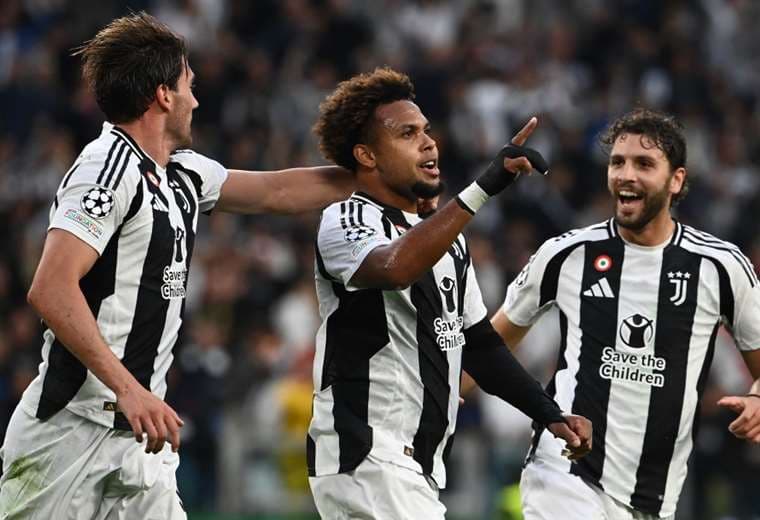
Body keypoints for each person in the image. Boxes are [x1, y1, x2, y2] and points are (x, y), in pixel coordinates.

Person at [0, 12, 355, 520]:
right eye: (189, 84)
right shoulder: (106, 168)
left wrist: (377, 174)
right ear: (163, 95)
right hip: (69, 433)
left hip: (142, 440)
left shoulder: (183, 173)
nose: (196, 98)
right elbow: (51, 288)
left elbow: (277, 190)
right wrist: (128, 389)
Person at [305, 67, 592, 519]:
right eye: (407, 133)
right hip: (366, 454)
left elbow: (477, 344)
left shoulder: (447, 240)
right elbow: (394, 267)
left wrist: (548, 412)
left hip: (412, 467)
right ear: (367, 155)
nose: (428, 143)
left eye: (426, 131)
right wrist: (482, 190)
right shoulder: (345, 219)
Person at [490, 108, 760, 519]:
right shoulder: (567, 254)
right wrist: (440, 399)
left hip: (653, 496)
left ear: (677, 180)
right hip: (564, 472)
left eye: (644, 164)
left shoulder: (719, 267)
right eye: (618, 162)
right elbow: (488, 346)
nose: (625, 175)